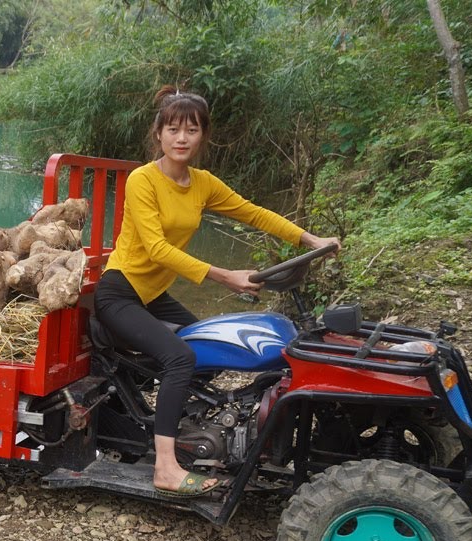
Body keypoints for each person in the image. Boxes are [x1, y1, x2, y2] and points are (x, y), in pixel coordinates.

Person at [95, 86, 339, 498]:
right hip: (120, 291)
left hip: (153, 294)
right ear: (158, 134)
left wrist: (310, 241)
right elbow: (157, 248)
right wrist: (225, 276)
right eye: (173, 129)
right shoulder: (143, 180)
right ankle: (166, 468)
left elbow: (253, 212)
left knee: (210, 351)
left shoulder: (202, 183)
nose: (181, 138)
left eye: (191, 129)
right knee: (180, 358)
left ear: (203, 135)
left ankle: (179, 429)